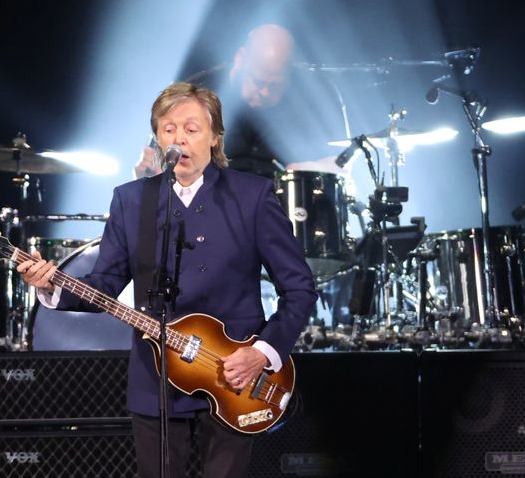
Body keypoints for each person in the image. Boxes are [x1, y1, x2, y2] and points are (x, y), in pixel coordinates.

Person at [17, 82, 318, 478]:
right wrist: (50, 285)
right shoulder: (132, 200)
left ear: (214, 136)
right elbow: (105, 282)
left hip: (234, 376)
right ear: (158, 137)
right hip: (156, 379)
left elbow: (299, 288)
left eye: (192, 129)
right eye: (168, 129)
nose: (180, 138)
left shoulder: (253, 195)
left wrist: (261, 353)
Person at [135, 24, 346, 180]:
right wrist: (148, 173)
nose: (264, 91)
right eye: (258, 81)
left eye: (275, 85)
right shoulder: (192, 95)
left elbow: (342, 164)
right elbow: (153, 167)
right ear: (240, 59)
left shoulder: (308, 102)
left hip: (282, 218)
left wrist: (312, 168)